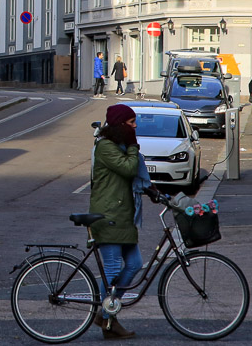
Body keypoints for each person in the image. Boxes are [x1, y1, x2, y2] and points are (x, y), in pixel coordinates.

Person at [89, 104, 159, 340]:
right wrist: (132, 146)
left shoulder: (117, 145)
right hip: (108, 216)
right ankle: (105, 315)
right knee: (111, 271)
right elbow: (129, 169)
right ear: (120, 125)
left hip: (122, 217)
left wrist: (153, 191)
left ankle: (107, 314)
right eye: (131, 123)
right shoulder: (106, 146)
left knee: (135, 264)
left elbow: (135, 175)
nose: (135, 126)